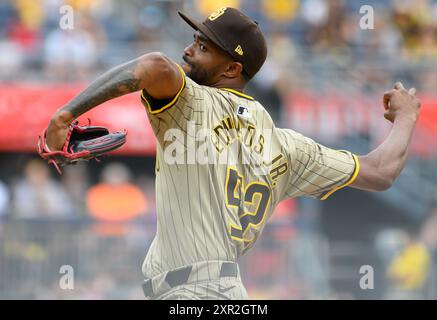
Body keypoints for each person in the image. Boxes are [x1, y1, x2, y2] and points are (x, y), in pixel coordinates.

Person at [42, 7, 421, 299]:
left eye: (204, 47)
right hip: (217, 291)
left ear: (232, 68)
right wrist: (405, 117)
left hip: (194, 292)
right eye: (194, 39)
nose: (189, 50)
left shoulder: (193, 102)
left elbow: (153, 65)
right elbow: (381, 171)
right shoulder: (287, 145)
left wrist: (66, 114)